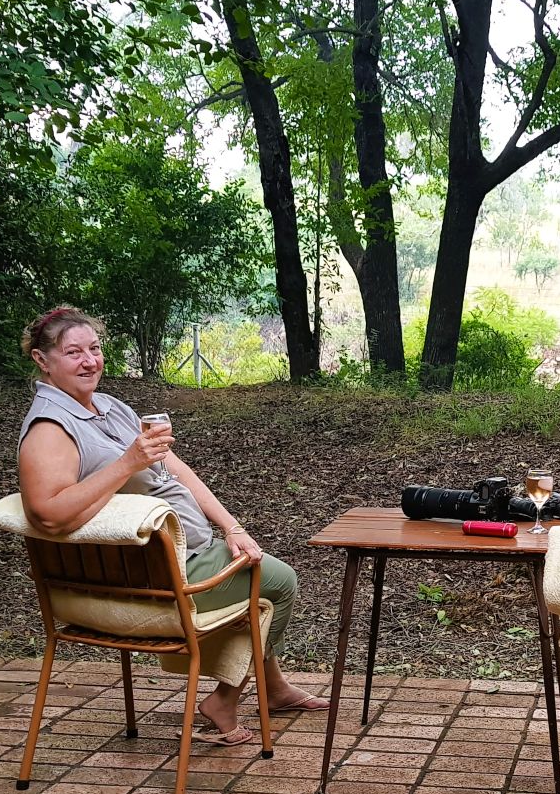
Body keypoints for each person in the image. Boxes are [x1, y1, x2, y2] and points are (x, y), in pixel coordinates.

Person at [16, 306, 327, 745]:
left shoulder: (110, 407)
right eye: (73, 353)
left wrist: (231, 526)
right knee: (276, 581)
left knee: (249, 562)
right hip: (152, 576)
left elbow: (178, 470)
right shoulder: (51, 428)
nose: (90, 361)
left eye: (95, 349)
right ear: (42, 360)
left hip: (179, 554)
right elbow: (47, 513)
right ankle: (223, 700)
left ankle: (273, 689)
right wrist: (130, 462)